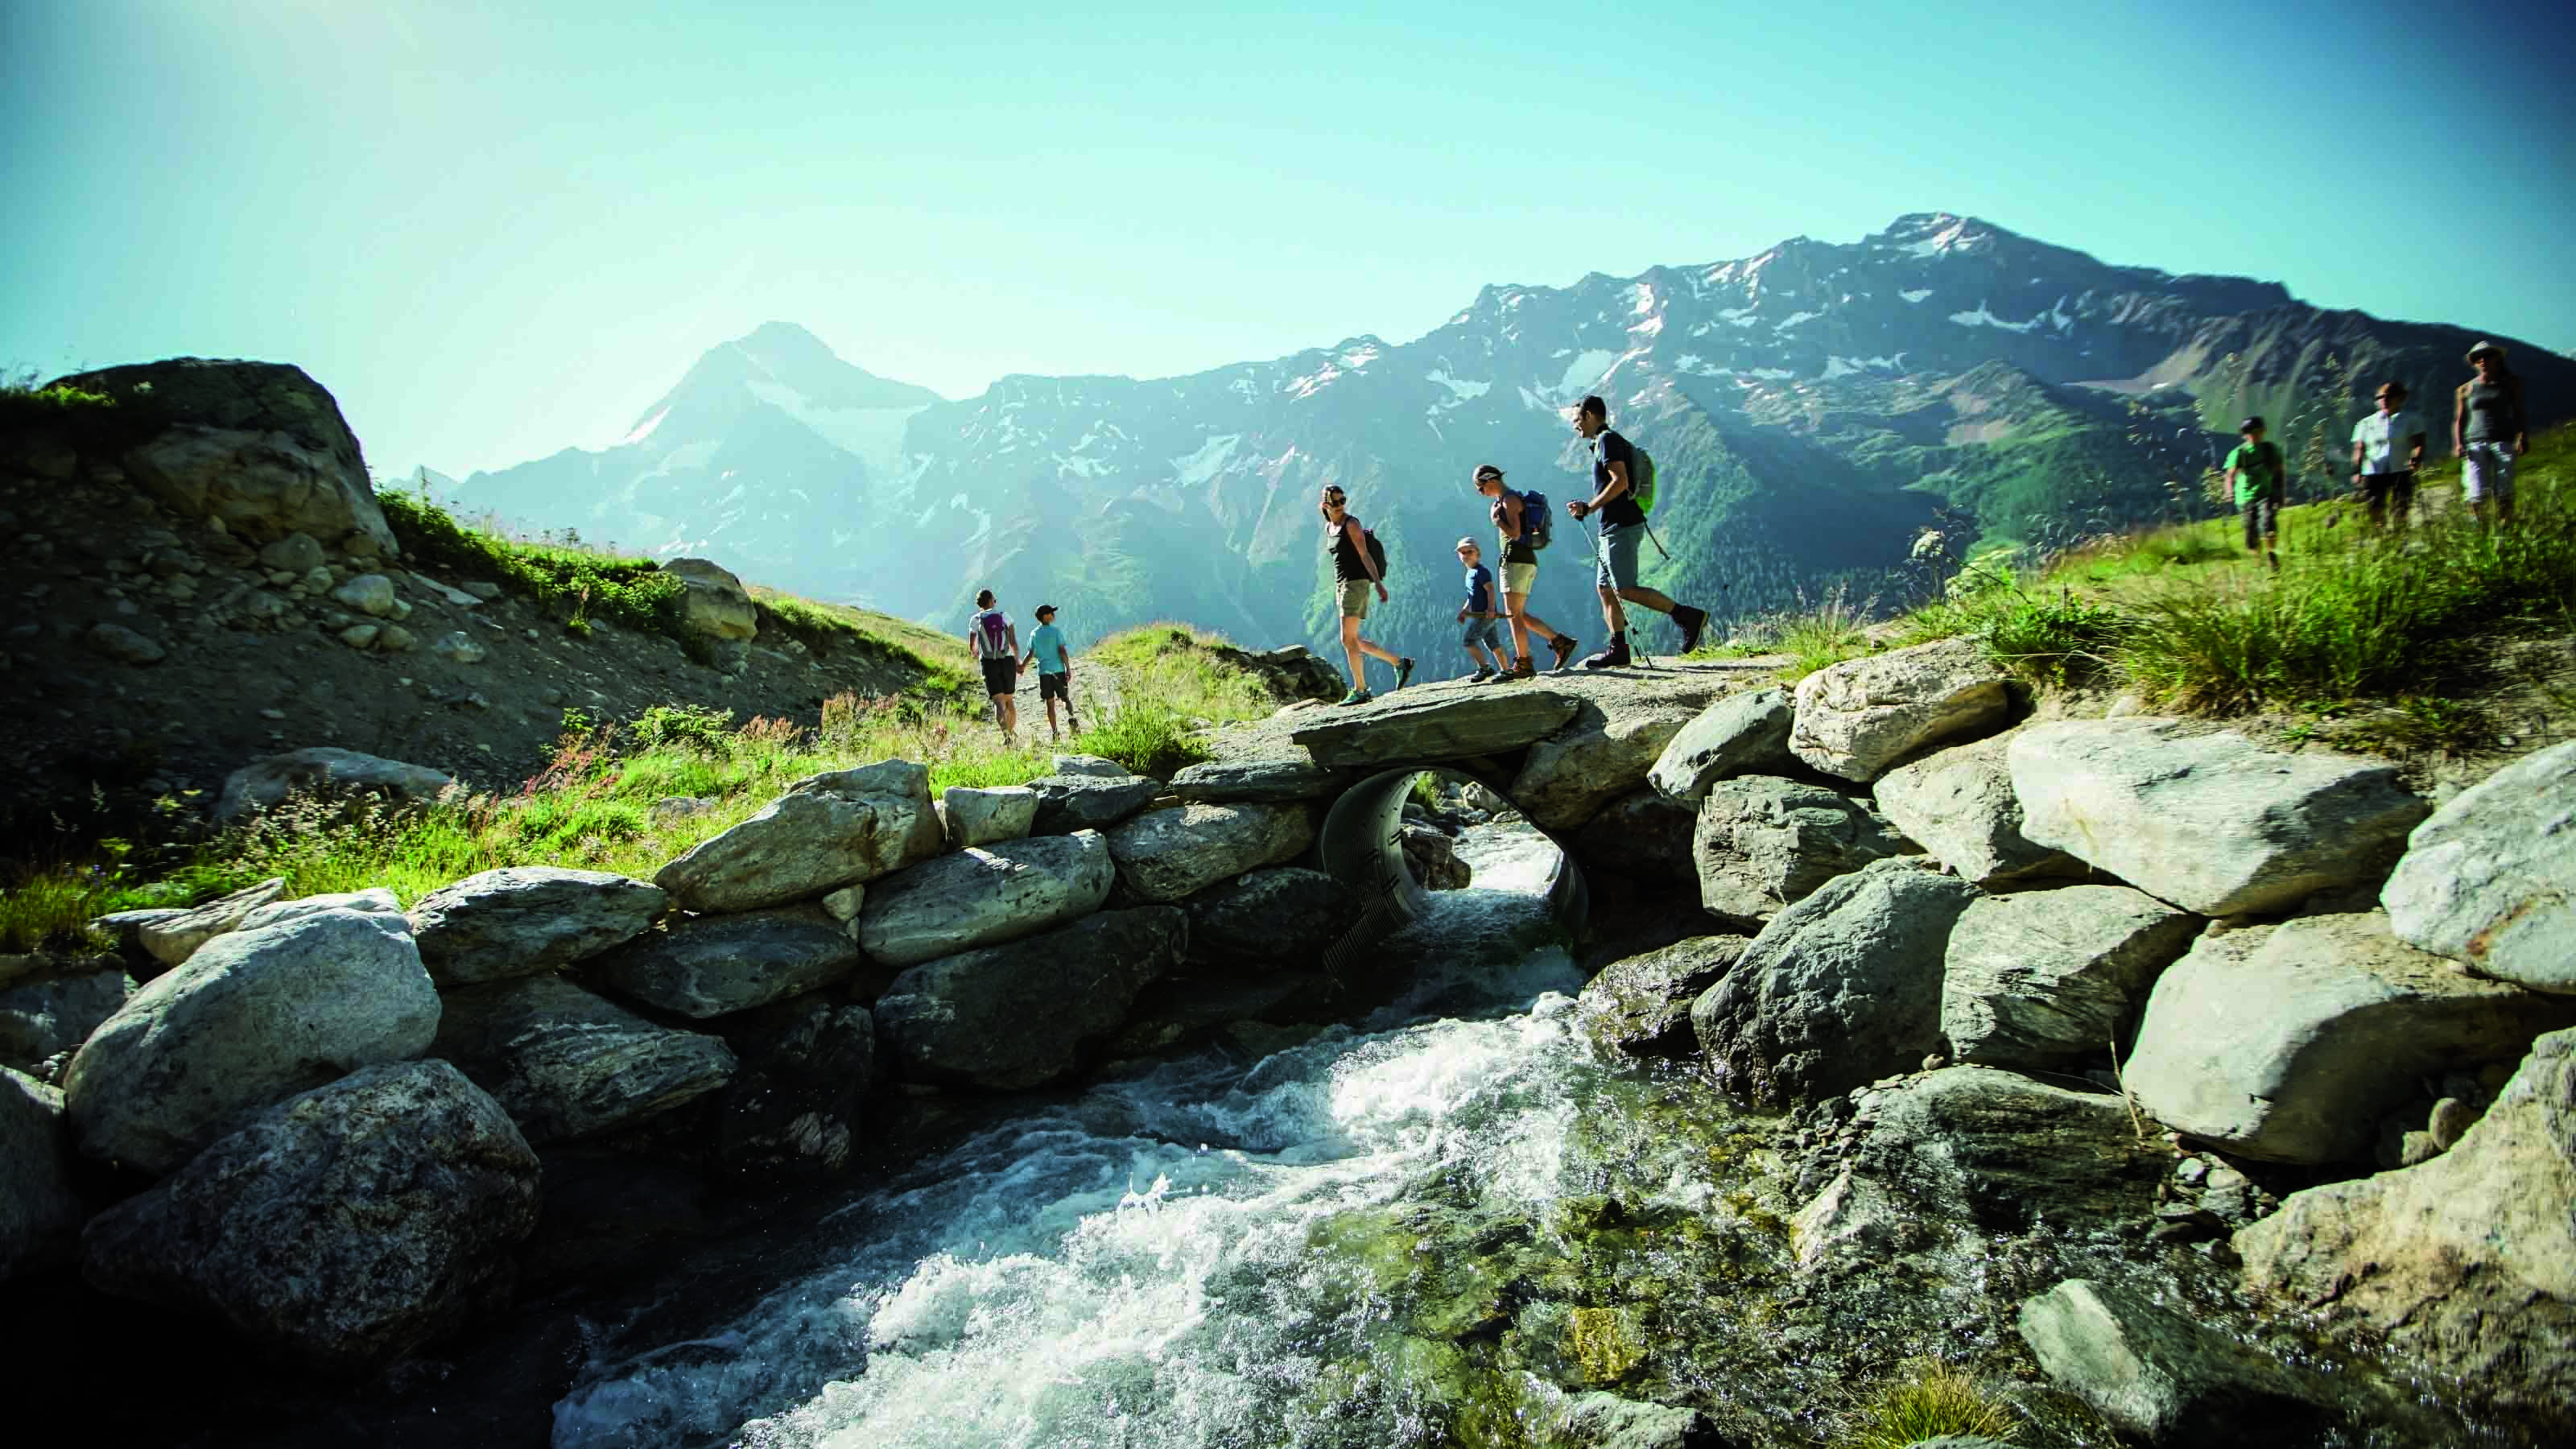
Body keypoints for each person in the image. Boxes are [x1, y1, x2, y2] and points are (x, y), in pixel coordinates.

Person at [1564, 396, 1708, 668]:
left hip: (1621, 525)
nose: (1575, 426)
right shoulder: (1602, 443)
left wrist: (1590, 507)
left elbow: (1621, 481)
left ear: (1591, 415)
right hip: (1611, 527)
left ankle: (1687, 616)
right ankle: (1618, 649)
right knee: (1605, 589)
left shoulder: (1607, 441)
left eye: (1577, 420)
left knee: (1625, 588)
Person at [1472, 464, 1579, 678]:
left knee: (1514, 616)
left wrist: (1497, 521)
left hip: (1516, 560)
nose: (1479, 491)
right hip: (1521, 561)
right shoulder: (1504, 500)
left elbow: (1515, 532)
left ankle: (1523, 664)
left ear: (1489, 480)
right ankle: (1560, 642)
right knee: (1520, 614)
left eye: (1480, 486)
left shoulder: (1509, 500)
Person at [1319, 484, 1412, 704]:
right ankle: (1399, 663)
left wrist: (1378, 584)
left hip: (1356, 584)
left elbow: (1365, 555)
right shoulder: (1329, 528)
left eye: (1343, 500)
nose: (1341, 505)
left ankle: (1361, 690)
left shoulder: (1351, 524)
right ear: (1325, 505)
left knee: (1347, 639)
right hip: (1342, 585)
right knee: (1355, 640)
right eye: (1337, 502)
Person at [2454, 341, 2527, 526]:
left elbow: (2519, 411)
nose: (2483, 360)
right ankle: (2478, 531)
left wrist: (2522, 436)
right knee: (2475, 491)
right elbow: (2460, 418)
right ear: (2474, 363)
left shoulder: (2511, 383)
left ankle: (2505, 529)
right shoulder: (2465, 389)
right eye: (2479, 358)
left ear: (2497, 358)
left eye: (2487, 356)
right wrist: (2458, 443)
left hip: (2503, 440)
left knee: (2504, 489)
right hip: (2474, 442)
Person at [2348, 382, 2426, 531]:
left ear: (2401, 397)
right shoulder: (2365, 423)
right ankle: (2380, 535)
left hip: (2401, 469)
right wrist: (2356, 470)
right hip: (2373, 472)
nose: (2384, 399)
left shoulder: (2412, 419)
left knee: (2401, 507)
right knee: (2374, 507)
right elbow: (2359, 448)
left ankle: (2400, 539)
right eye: (2380, 397)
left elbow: (2419, 442)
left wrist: (2417, 458)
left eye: (2389, 396)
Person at [2223, 417, 2286, 570]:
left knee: (2268, 522)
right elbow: (2230, 475)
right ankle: (2258, 558)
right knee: (2251, 531)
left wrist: (2281, 493)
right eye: (2251, 433)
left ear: (2263, 432)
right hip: (2245, 497)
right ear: (2245, 435)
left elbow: (2280, 471)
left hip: (2266, 492)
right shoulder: (2239, 453)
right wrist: (2229, 490)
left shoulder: (2270, 449)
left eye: (2258, 432)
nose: (2255, 435)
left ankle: (2271, 554)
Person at [964, 588, 1020, 743]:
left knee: (998, 702)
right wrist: (1018, 662)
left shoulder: (975, 619)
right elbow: (1013, 642)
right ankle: (1011, 731)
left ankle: (1006, 736)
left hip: (989, 662)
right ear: (991, 601)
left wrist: (977, 654)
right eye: (994, 600)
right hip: (1007, 660)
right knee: (1009, 701)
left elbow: (973, 648)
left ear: (980, 605)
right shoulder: (1004, 616)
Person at [1020, 602, 1078, 742]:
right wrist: (1068, 668)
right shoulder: (1056, 631)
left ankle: (1055, 732)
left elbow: (1030, 653)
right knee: (1065, 698)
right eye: (1052, 612)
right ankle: (1072, 721)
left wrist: (1022, 666)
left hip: (1044, 673)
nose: (1054, 614)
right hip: (1058, 670)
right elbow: (1062, 651)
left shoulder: (1034, 633)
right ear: (1046, 616)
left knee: (1050, 704)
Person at [1453, 538, 1506, 682]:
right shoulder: (1470, 573)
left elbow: (1490, 590)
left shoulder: (1481, 572)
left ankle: (1485, 668)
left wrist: (1490, 609)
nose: (1466, 554)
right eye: (1462, 552)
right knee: (1493, 643)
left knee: (1469, 641)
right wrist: (1464, 611)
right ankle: (1506, 671)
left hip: (1486, 615)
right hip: (1483, 615)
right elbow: (1471, 596)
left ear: (1478, 554)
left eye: (1470, 551)